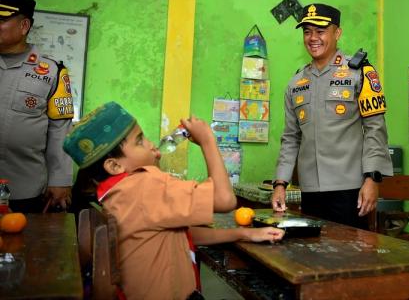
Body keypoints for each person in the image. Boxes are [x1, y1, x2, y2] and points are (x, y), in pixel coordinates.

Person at [64, 102, 283, 300]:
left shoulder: (116, 194)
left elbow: (177, 233)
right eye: (140, 141)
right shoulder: (145, 185)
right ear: (114, 166)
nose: (151, 145)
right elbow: (225, 200)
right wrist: (208, 140)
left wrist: (242, 233)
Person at [272, 3, 393, 229]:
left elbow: (375, 129)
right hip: (309, 192)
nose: (312, 38)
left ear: (337, 33)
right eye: (307, 32)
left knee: (350, 257)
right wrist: (280, 184)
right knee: (313, 257)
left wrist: (372, 179)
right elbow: (290, 137)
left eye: (320, 31)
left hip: (350, 191)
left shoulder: (360, 73)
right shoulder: (296, 82)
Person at [0, 0, 74, 213]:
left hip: (24, 188)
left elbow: (60, 129)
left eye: (1, 20)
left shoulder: (52, 72)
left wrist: (60, 179)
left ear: (24, 26)